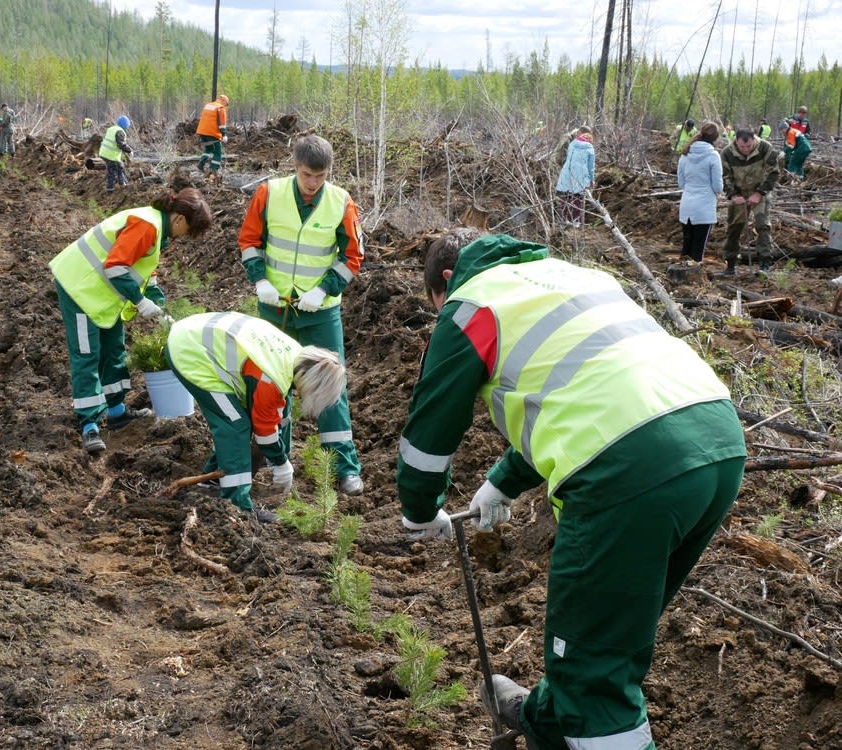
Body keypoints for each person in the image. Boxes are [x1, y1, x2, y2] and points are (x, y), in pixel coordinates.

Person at [396, 228, 746, 750]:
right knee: (604, 635)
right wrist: (503, 482)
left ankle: (582, 720)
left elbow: (428, 435)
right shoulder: (571, 276)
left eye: (436, 304)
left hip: (627, 471)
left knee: (593, 673)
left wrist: (422, 511)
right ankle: (544, 721)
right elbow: (588, 391)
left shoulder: (468, 307)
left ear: (446, 281)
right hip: (715, 439)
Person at [238, 133, 365, 495]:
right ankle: (275, 458)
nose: (313, 184)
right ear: (295, 167)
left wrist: (324, 289)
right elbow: (249, 241)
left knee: (330, 385)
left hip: (320, 312)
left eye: (320, 177)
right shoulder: (269, 194)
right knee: (271, 382)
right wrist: (260, 280)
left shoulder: (341, 203)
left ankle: (344, 468)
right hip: (274, 307)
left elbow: (352, 257)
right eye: (307, 175)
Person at [49, 188, 212, 454]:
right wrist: (139, 301)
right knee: (87, 355)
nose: (185, 236)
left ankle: (116, 411)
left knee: (113, 349)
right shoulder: (147, 225)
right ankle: (89, 424)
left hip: (101, 295)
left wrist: (158, 303)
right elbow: (115, 267)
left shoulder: (157, 230)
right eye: (188, 231)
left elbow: (143, 268)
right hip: (79, 287)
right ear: (180, 219)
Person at [165, 312, 346, 522]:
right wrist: (281, 463)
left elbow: (277, 416)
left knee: (240, 421)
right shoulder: (271, 379)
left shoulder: (296, 357)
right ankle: (237, 506)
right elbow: (264, 431)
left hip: (195, 330)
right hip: (190, 352)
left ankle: (213, 480)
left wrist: (281, 456)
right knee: (235, 425)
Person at [719, 127, 780, 276]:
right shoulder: (726, 153)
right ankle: (730, 265)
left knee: (762, 225)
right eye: (742, 147)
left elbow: (773, 172)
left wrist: (759, 193)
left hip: (760, 191)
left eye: (749, 146)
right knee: (734, 227)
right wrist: (733, 195)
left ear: (754, 140)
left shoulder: (765, 147)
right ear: (736, 142)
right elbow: (725, 177)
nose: (746, 150)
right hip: (738, 193)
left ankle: (765, 264)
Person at [677, 121, 722, 262]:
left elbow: (681, 183)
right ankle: (693, 273)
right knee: (698, 248)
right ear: (715, 138)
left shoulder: (685, 153)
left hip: (686, 205)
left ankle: (680, 270)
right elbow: (717, 186)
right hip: (704, 207)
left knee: (686, 245)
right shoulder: (713, 155)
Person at [554, 125, 594, 228]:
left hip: (567, 173)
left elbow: (568, 159)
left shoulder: (572, 144)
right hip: (580, 176)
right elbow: (591, 167)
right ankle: (575, 221)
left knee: (565, 196)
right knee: (578, 198)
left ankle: (563, 220)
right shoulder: (590, 148)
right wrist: (591, 179)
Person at [196, 94, 229, 180]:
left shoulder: (208, 105)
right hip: (212, 133)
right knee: (218, 153)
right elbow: (222, 124)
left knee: (208, 149)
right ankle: (213, 170)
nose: (226, 106)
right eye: (226, 104)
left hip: (202, 131)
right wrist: (224, 135)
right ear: (224, 102)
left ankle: (201, 164)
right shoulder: (221, 108)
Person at [99, 115, 133, 193]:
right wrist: (129, 151)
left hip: (103, 153)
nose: (127, 129)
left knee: (112, 170)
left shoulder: (111, 129)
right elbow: (121, 144)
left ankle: (111, 188)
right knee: (119, 168)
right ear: (125, 125)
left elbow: (114, 144)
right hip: (111, 155)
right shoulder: (120, 131)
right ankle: (123, 185)